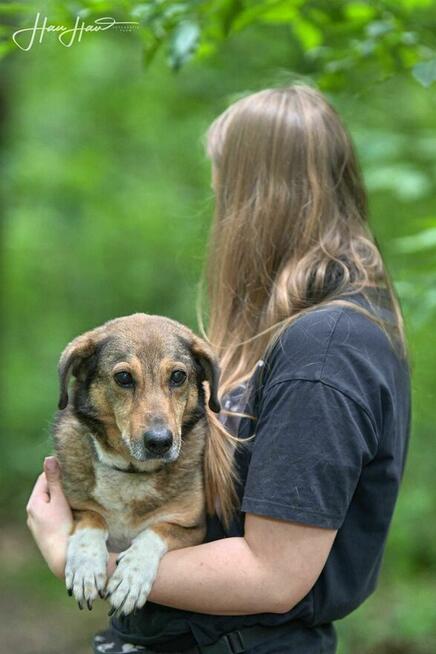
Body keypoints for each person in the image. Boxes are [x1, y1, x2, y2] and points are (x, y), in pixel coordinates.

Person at [27, 83, 411, 654]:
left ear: (259, 197)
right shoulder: (294, 328)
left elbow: (273, 574)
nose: (217, 213)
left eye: (223, 188)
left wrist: (77, 559)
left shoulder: (327, 348)